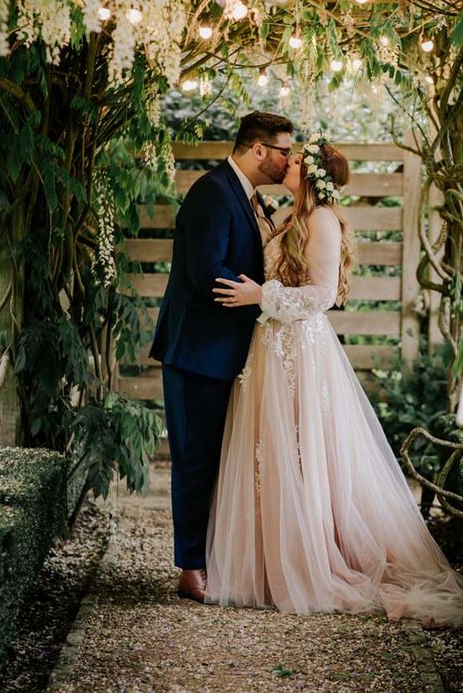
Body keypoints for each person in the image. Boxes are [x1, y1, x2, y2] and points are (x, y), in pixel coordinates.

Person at [209, 137, 463, 628]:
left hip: (300, 347)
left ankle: (314, 558)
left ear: (311, 174)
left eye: (295, 161)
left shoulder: (321, 221)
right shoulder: (292, 216)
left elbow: (320, 295)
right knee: (275, 452)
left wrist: (261, 294)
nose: (286, 163)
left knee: (305, 451)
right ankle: (275, 559)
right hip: (272, 348)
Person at [150, 110, 294, 603]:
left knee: (221, 460)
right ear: (258, 150)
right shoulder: (213, 192)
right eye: (283, 151)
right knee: (195, 460)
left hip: (230, 353)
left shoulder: (249, 197)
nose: (288, 160)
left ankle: (212, 556)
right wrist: (266, 298)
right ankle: (190, 567)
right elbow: (206, 272)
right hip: (197, 352)